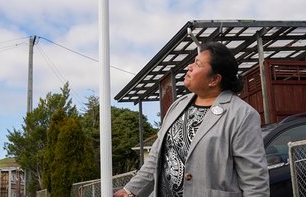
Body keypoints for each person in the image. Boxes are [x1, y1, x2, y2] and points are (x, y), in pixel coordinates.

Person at [113, 41, 269, 197]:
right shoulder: (178, 105)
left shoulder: (241, 115)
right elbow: (156, 157)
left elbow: (254, 181)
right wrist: (130, 190)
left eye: (198, 64)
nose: (190, 67)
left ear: (214, 79)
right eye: (194, 61)